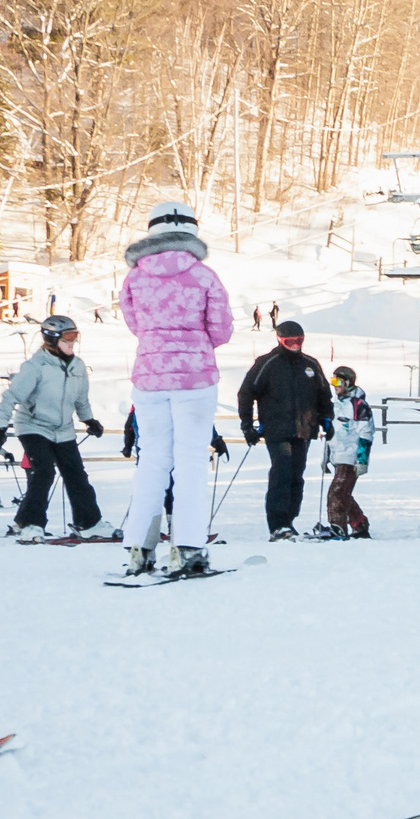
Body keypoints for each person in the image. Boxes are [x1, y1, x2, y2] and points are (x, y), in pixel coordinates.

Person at [118, 199, 235, 577]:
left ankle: (140, 547)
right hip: (195, 379)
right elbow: (222, 330)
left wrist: (158, 343)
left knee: (151, 460)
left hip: (149, 377)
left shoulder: (135, 277)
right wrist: (193, 344)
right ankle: (188, 548)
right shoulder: (204, 275)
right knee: (190, 462)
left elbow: (134, 323)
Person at [0, 314, 105, 540]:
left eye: (75, 337)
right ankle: (31, 524)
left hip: (63, 429)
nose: (72, 342)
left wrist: (89, 420)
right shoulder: (35, 367)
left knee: (76, 474)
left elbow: (81, 400)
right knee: (44, 473)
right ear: (51, 339)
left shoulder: (78, 366)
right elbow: (11, 397)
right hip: (33, 425)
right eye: (67, 337)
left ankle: (88, 523)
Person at [235, 318, 330, 540]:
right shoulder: (268, 363)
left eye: (299, 340)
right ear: (280, 340)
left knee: (297, 475)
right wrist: (247, 425)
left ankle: (289, 520)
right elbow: (246, 393)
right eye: (290, 341)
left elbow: (324, 394)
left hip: (304, 429)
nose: (295, 345)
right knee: (282, 472)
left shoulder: (311, 364)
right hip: (277, 429)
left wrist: (327, 419)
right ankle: (277, 524)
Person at [322, 367, 375, 538]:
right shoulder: (337, 405)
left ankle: (338, 527)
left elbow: (365, 433)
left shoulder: (358, 405)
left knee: (336, 493)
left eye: (338, 382)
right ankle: (359, 523)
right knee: (343, 494)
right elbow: (332, 432)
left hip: (351, 457)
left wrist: (362, 459)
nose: (335, 386)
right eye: (333, 382)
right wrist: (326, 457)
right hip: (339, 456)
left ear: (348, 383)